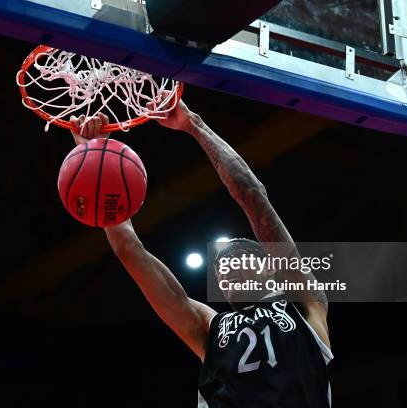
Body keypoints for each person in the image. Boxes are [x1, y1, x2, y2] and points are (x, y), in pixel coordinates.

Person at [69, 101, 333, 407]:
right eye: (220, 266)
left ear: (268, 266)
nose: (224, 268)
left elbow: (251, 193)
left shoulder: (305, 305)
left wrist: (193, 124)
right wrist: (96, 159)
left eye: (236, 256)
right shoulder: (210, 327)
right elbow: (129, 249)